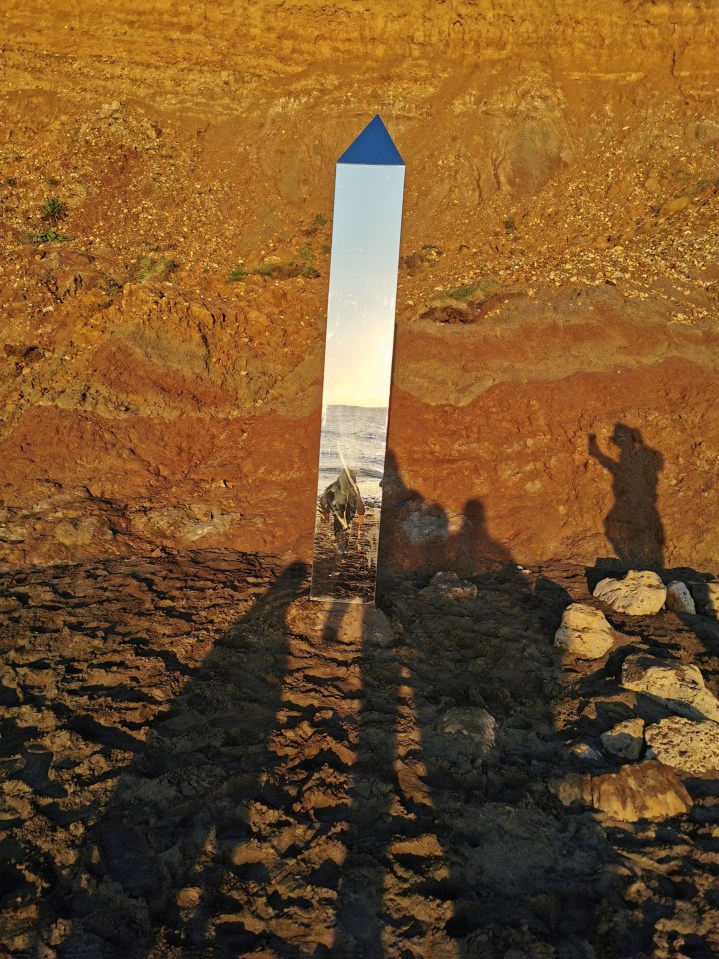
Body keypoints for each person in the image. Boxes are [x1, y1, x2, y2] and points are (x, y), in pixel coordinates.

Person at [319, 467, 365, 555]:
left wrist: (361, 514)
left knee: (345, 521)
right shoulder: (333, 488)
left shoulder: (353, 488)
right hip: (336, 503)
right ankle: (340, 543)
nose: (351, 482)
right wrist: (325, 513)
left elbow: (359, 502)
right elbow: (324, 499)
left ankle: (342, 544)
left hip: (347, 504)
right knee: (341, 521)